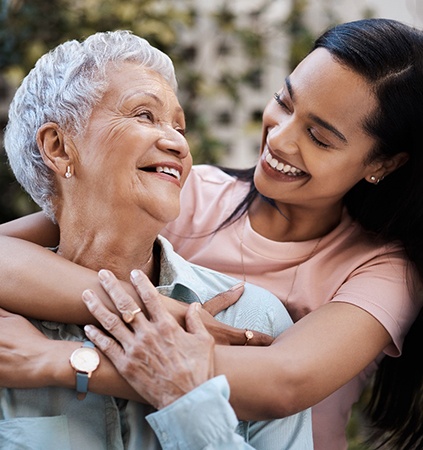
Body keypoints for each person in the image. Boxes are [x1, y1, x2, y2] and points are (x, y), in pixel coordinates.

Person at [1, 17, 423, 450]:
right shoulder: (189, 194)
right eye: (284, 101)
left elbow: (284, 382)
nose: (280, 138)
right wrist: (170, 312)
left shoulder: (382, 270)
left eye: (318, 137)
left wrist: (62, 361)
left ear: (382, 164)